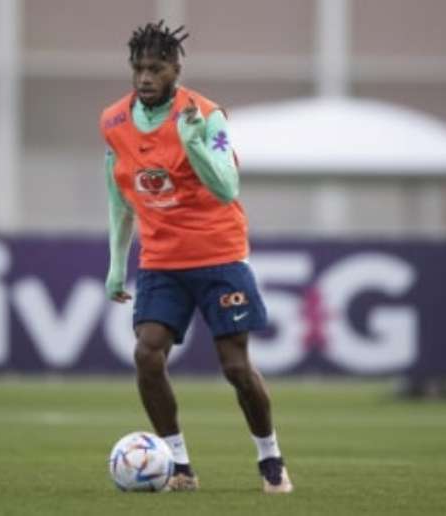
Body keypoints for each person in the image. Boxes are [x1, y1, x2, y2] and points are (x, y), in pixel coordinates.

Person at [99, 20, 293, 494]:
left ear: (176, 69)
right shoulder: (113, 123)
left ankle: (270, 456)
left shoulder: (206, 116)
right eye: (139, 68)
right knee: (147, 354)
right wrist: (115, 265)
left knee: (235, 368)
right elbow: (120, 199)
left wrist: (194, 146)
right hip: (163, 261)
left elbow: (227, 187)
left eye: (156, 68)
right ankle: (178, 465)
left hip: (219, 255)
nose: (146, 77)